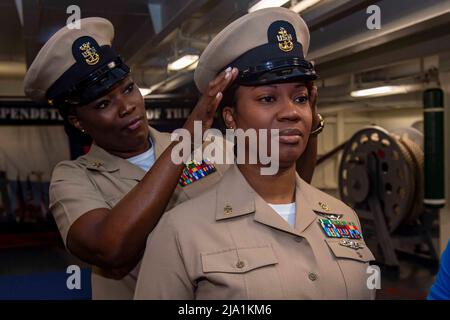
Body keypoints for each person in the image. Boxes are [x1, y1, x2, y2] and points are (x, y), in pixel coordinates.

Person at [23, 17, 320, 299]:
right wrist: (188, 138)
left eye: (128, 89)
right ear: (78, 122)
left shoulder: (211, 145)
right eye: (103, 103)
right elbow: (109, 248)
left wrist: (309, 122)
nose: (126, 106)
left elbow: (288, 192)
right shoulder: (74, 178)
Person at [134, 7, 375, 300]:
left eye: (300, 98)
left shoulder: (343, 216)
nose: (291, 112)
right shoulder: (181, 233)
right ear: (231, 117)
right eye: (267, 98)